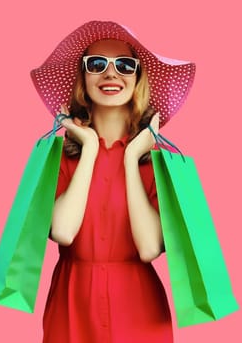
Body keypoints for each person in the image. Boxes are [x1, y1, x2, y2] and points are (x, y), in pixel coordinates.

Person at [30, 20, 195, 343]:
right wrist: (89, 148)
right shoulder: (56, 157)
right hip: (70, 306)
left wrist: (133, 158)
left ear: (137, 80)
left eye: (124, 65)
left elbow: (149, 248)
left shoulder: (161, 162)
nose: (110, 74)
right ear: (83, 78)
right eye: (96, 64)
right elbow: (62, 231)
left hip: (138, 310)